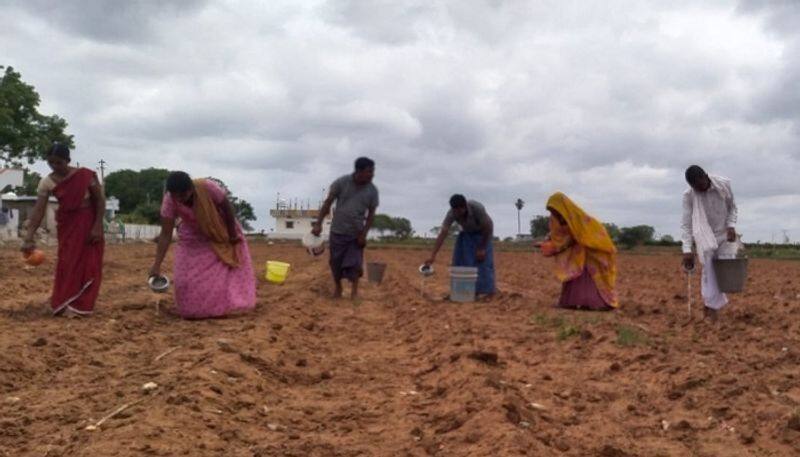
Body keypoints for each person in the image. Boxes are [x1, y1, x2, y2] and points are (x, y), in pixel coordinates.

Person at [149, 172, 256, 319]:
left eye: (183, 195)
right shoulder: (170, 200)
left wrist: (231, 236)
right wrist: (156, 265)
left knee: (223, 273)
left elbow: (227, 207)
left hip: (219, 230)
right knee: (184, 280)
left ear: (191, 189)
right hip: (192, 237)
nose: (180, 199)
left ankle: (227, 307)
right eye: (176, 196)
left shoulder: (207, 188)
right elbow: (166, 234)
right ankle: (193, 310)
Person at [21, 144, 105, 317]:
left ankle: (81, 306)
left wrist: (97, 226)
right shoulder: (46, 182)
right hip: (67, 225)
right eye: (51, 163)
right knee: (67, 263)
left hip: (88, 223)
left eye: (59, 162)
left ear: (67, 160)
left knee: (89, 264)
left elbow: (100, 200)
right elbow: (38, 210)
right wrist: (28, 237)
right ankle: (65, 301)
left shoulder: (86, 175)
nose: (55, 166)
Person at [312, 157, 379, 299]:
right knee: (335, 263)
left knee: (355, 264)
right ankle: (338, 288)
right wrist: (318, 223)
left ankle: (354, 291)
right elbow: (328, 203)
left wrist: (364, 234)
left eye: (373, 172)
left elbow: (371, 214)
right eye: (369, 172)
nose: (372, 175)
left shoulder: (372, 191)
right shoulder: (341, 183)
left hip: (356, 234)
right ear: (359, 171)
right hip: (338, 231)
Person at [538, 192, 618, 310]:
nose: (552, 213)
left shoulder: (578, 218)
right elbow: (557, 235)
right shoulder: (556, 219)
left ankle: (595, 303)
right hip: (575, 253)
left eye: (554, 209)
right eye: (550, 210)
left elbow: (578, 237)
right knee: (574, 274)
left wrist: (557, 246)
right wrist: (547, 243)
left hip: (592, 251)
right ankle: (572, 302)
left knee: (590, 275)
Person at [680, 165, 738, 321]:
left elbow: (732, 208)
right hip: (704, 237)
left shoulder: (723, 184)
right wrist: (687, 248)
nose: (700, 190)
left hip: (724, 235)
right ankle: (711, 308)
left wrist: (731, 225)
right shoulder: (689, 196)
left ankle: (710, 304)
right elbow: (686, 224)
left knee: (724, 272)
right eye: (696, 188)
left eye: (701, 185)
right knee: (709, 272)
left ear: (706, 176)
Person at [425, 194, 495, 298]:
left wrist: (482, 248)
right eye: (455, 211)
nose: (457, 214)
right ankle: (464, 291)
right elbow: (443, 233)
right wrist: (433, 255)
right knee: (462, 262)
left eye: (460, 210)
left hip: (483, 235)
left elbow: (489, 227)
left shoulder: (477, 208)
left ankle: (486, 292)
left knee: (483, 263)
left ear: (465, 206)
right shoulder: (451, 214)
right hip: (467, 235)